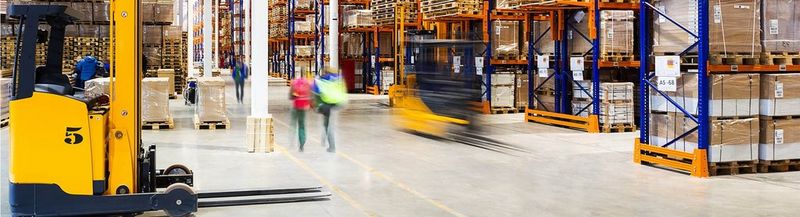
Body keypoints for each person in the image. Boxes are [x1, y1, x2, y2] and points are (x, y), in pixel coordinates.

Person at [312, 68, 348, 152]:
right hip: (337, 102)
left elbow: (316, 94)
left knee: (328, 126)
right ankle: (324, 139)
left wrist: (316, 106)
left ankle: (331, 146)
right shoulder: (338, 78)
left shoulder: (321, 80)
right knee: (327, 123)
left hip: (326, 104)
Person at [290, 76, 312, 151]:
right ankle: (302, 143)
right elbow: (311, 95)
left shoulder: (294, 83)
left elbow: (291, 96)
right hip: (303, 107)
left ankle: (291, 140)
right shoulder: (307, 83)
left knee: (293, 124)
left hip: (296, 106)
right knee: (302, 125)